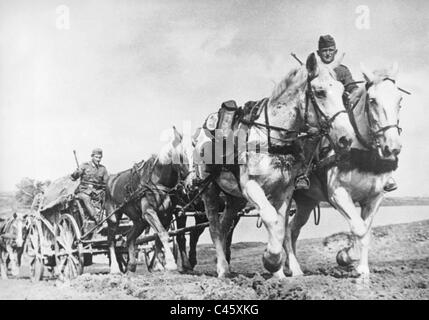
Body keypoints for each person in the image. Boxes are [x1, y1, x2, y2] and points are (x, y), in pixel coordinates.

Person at [295, 35, 397, 192]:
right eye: (324, 51)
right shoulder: (315, 71)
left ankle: (385, 174)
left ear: (335, 52)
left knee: (372, 133)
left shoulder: (342, 70)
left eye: (330, 50)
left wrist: (352, 93)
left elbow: (352, 88)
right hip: (321, 115)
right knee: (312, 136)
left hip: (341, 113)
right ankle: (304, 174)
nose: (328, 54)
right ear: (318, 52)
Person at [70, 148, 109, 224]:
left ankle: (109, 216)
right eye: (96, 157)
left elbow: (106, 182)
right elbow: (73, 177)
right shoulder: (84, 166)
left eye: (100, 157)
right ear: (92, 156)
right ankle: (96, 217)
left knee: (107, 196)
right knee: (86, 198)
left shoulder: (102, 169)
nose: (98, 159)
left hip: (97, 191)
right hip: (83, 191)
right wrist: (77, 172)